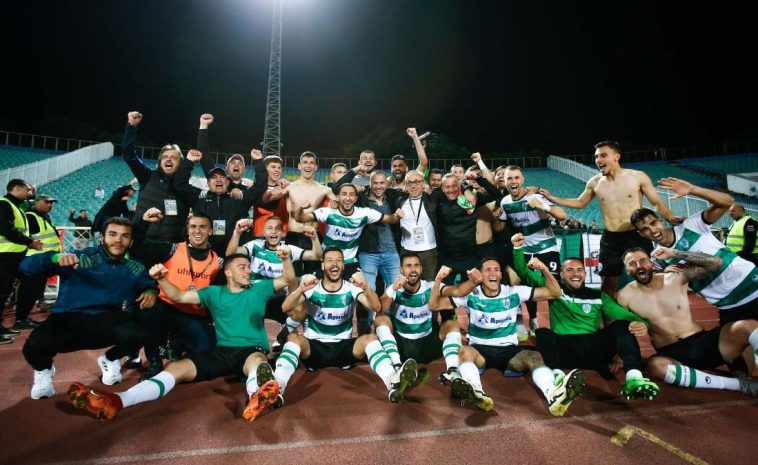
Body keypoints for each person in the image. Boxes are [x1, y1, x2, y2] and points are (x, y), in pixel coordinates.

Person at [68, 250, 296, 421]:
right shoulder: (213, 293)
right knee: (176, 368)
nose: (248, 271)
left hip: (252, 351)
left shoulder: (259, 288)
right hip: (222, 351)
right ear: (228, 272)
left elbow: (287, 279)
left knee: (258, 362)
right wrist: (161, 279)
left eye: (248, 267)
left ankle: (257, 394)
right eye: (242, 267)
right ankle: (118, 400)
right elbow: (178, 296)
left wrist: (286, 259)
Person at [21, 217, 157, 399]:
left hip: (108, 320)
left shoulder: (135, 267)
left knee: (141, 332)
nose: (118, 240)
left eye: (125, 236)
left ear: (131, 241)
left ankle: (110, 359)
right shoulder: (80, 257)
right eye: (112, 234)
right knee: (33, 346)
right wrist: (54, 258)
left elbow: (148, 284)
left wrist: (150, 291)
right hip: (68, 319)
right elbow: (26, 267)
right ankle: (43, 369)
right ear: (102, 238)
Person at [510, 233, 659, 400]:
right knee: (542, 332)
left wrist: (641, 323)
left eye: (579, 270)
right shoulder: (554, 290)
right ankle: (558, 377)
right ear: (561, 274)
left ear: (585, 274)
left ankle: (634, 377)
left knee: (621, 325)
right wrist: (518, 248)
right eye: (569, 270)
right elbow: (523, 272)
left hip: (594, 352)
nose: (575, 274)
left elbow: (625, 315)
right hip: (564, 351)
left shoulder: (598, 296)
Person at [430, 258, 584, 416]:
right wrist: (438, 280)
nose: (493, 273)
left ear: (500, 275)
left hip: (509, 351)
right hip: (479, 350)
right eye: (488, 270)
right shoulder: (469, 295)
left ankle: (553, 394)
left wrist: (544, 268)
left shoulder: (514, 292)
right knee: (464, 351)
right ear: (480, 275)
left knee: (534, 356)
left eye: (496, 269)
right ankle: (476, 391)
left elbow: (555, 293)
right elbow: (434, 305)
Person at [268, 247, 419, 408]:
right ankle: (277, 387)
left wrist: (366, 287)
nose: (334, 264)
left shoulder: (351, 288)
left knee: (370, 338)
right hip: (315, 349)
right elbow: (285, 307)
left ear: (343, 266)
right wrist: (300, 290)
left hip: (344, 348)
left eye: (339, 260)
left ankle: (392, 383)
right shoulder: (312, 288)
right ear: (322, 265)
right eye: (330, 260)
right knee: (293, 338)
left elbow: (376, 307)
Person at [539, 141, 680, 298]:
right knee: (607, 282)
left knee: (647, 276)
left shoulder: (637, 177)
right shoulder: (595, 182)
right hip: (611, 238)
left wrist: (671, 218)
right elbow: (580, 202)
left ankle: (653, 309)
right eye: (596, 157)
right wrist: (552, 198)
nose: (598, 160)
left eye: (603, 155)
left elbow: (657, 202)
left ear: (616, 157)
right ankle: (609, 314)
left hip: (636, 235)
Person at [617, 247, 758, 396]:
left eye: (643, 260)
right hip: (672, 354)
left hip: (703, 343)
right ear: (627, 271)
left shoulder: (675, 277)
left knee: (747, 326)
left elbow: (714, 262)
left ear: (651, 263)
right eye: (632, 263)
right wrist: (619, 354)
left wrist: (675, 253)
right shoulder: (624, 296)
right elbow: (619, 327)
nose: (639, 266)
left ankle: (738, 371)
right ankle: (738, 385)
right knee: (655, 366)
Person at [629, 177, 757, 324]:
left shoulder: (692, 225)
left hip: (752, 284)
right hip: (728, 304)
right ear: (640, 234)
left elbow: (727, 201)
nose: (652, 230)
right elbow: (663, 285)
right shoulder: (657, 259)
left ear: (661, 221)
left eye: (653, 223)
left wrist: (693, 189)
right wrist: (666, 274)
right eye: (645, 229)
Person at [130, 210, 224, 378]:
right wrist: (143, 223)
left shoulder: (219, 262)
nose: (197, 231)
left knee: (207, 352)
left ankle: (178, 343)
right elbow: (136, 249)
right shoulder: (171, 249)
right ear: (187, 230)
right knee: (147, 307)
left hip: (192, 313)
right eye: (193, 227)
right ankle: (154, 361)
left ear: (210, 231)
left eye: (203, 227)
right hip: (165, 306)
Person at [226, 216, 322, 348]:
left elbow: (316, 255)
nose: (274, 231)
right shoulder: (255, 246)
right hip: (256, 299)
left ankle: (282, 336)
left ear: (283, 233)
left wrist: (314, 238)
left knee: (300, 311)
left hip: (279, 300)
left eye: (278, 229)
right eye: (269, 228)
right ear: (263, 232)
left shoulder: (288, 249)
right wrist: (237, 233)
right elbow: (230, 254)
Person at [496, 165, 566, 333]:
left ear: (523, 180)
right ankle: (534, 321)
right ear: (505, 181)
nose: (513, 181)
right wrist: (496, 217)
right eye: (509, 178)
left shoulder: (535, 196)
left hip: (546, 249)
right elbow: (499, 228)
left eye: (516, 177)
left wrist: (542, 206)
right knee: (527, 288)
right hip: (525, 251)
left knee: (554, 287)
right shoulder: (505, 202)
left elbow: (562, 215)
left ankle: (558, 324)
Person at [375, 252, 463, 380]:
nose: (413, 269)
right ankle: (397, 366)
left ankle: (453, 370)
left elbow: (457, 291)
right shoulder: (394, 288)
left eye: (416, 265)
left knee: (452, 324)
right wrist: (393, 289)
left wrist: (471, 283)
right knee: (380, 320)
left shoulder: (431, 286)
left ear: (421, 269)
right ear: (401, 270)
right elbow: (379, 311)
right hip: (401, 346)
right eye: (408, 266)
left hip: (426, 344)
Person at [292, 183, 404, 278]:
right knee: (311, 287)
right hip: (327, 261)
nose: (347, 198)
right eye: (344, 194)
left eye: (351, 195)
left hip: (350, 263)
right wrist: (301, 208)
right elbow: (300, 218)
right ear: (338, 197)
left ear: (356, 198)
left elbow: (390, 219)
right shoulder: (327, 213)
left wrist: (397, 216)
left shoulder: (364, 213)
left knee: (361, 289)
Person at [121, 111, 195, 246]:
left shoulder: (187, 189)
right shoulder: (147, 176)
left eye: (173, 157)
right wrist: (131, 125)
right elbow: (128, 155)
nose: (169, 159)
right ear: (160, 161)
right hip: (142, 242)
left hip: (172, 249)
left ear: (181, 163)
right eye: (165, 157)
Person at [0, 179, 41, 343]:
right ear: (16, 188)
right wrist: (29, 242)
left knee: (4, 293)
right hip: (4, 256)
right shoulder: (4, 204)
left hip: (12, 256)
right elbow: (5, 228)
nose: (30, 192)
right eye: (27, 189)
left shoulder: (16, 206)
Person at [14, 194, 61, 330]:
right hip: (34, 261)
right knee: (28, 291)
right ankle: (20, 319)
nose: (50, 205)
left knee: (33, 291)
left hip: (43, 261)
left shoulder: (43, 217)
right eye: (47, 202)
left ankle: (23, 318)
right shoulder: (30, 217)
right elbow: (23, 237)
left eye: (52, 203)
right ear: (37, 202)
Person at [284, 151, 334, 275]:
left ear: (316, 167)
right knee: (292, 276)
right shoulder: (289, 188)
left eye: (311, 163)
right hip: (293, 236)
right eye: (305, 162)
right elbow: (268, 196)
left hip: (313, 236)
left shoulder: (325, 190)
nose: (308, 165)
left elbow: (342, 202)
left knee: (313, 277)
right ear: (299, 166)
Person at [396, 170, 439, 281]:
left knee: (429, 284)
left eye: (417, 182)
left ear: (423, 184)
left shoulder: (433, 200)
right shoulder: (399, 201)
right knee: (408, 284)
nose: (413, 185)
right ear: (405, 185)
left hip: (429, 251)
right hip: (407, 251)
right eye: (410, 182)